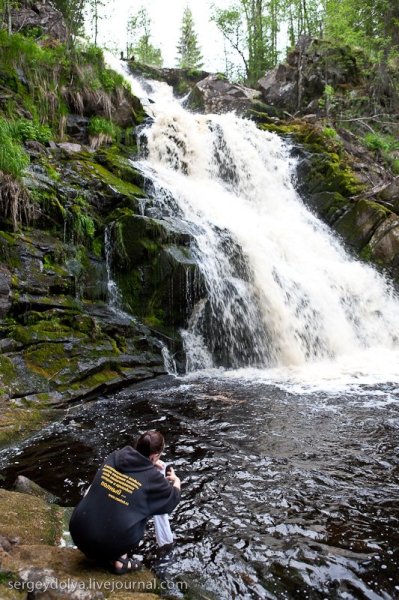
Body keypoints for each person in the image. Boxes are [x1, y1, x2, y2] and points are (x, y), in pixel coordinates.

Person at [69, 430, 181, 574]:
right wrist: (176, 481)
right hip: (107, 545)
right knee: (143, 511)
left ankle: (98, 549)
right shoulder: (154, 479)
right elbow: (172, 500)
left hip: (78, 532)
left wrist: (149, 466)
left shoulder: (115, 457)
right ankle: (120, 561)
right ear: (154, 456)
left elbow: (133, 473)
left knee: (110, 497)